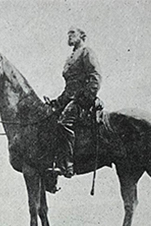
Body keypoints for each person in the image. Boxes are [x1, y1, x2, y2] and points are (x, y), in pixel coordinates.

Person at [49, 27, 101, 179]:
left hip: (82, 100)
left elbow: (95, 77)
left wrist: (86, 98)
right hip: (70, 98)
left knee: (63, 123)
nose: (69, 36)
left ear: (82, 36)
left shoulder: (86, 52)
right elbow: (70, 86)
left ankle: (67, 165)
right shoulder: (71, 56)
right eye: (68, 34)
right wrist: (57, 102)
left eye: (72, 33)